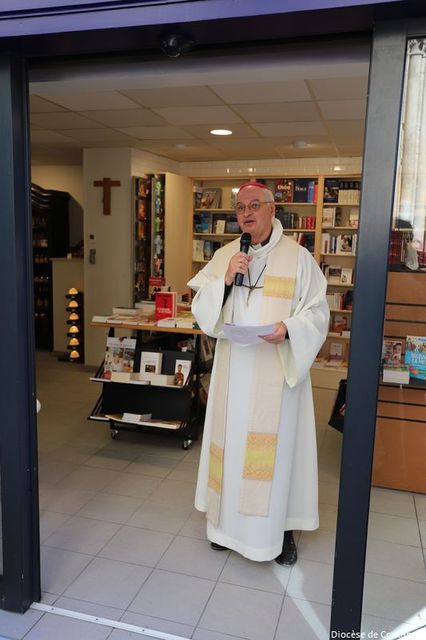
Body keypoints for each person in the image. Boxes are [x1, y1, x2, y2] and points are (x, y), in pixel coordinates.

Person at [187, 181, 329, 564]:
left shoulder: (298, 258)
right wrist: (225, 280)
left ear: (271, 209)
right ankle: (224, 527)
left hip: (276, 372)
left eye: (254, 205)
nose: (246, 213)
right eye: (239, 208)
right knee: (231, 448)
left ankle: (278, 533)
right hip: (234, 370)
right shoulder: (226, 255)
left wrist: (289, 328)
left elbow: (318, 312)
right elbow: (201, 309)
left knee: (275, 455)